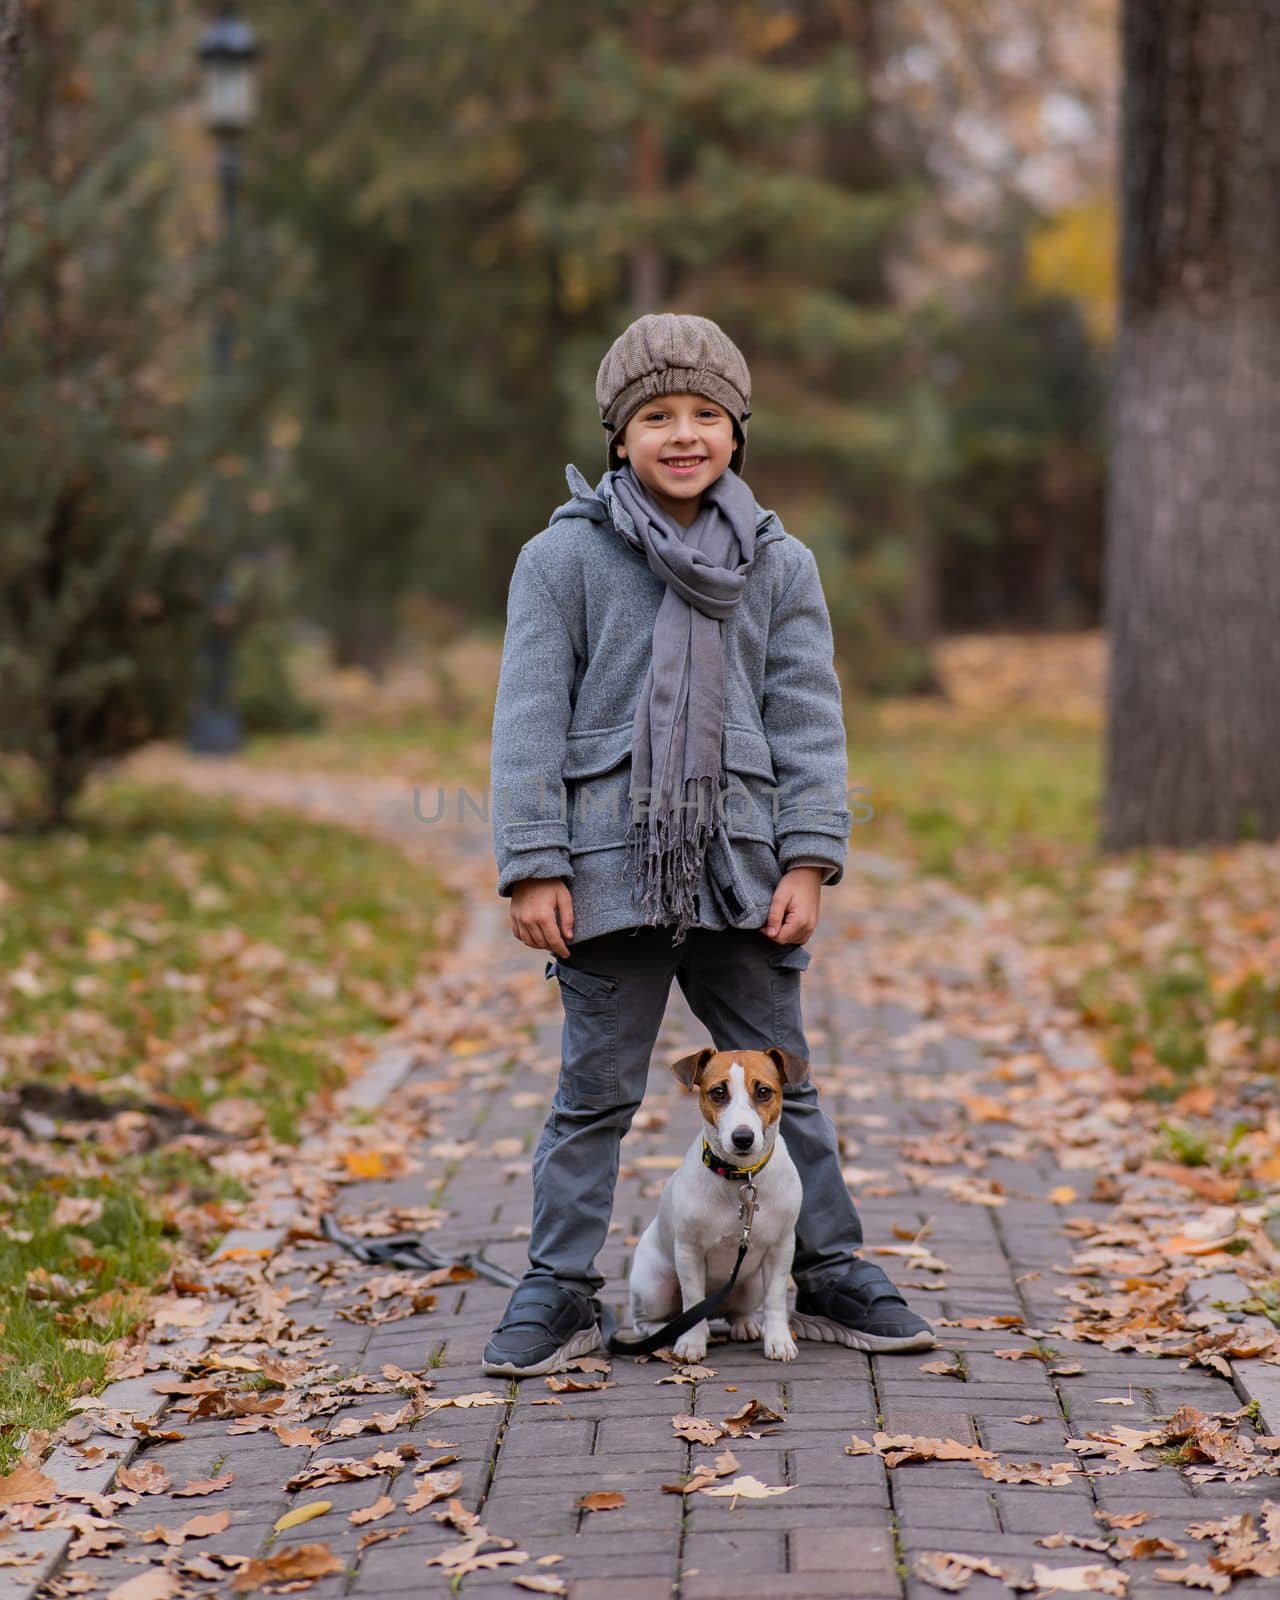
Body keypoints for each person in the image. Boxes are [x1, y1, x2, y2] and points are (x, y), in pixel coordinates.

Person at [484, 312, 935, 1376]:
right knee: (590, 1093)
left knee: (794, 1084)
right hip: (605, 870)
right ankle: (556, 1286)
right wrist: (535, 859)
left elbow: (805, 718)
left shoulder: (778, 567)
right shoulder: (563, 558)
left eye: (703, 415)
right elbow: (527, 718)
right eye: (655, 416)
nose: (680, 434)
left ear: (735, 431)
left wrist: (808, 856)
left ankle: (824, 1266)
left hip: (742, 872)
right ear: (617, 435)